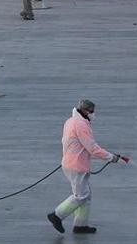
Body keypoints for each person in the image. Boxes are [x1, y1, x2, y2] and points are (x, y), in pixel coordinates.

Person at [48, 100, 125, 235]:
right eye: (92, 112)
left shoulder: (70, 121)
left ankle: (80, 225)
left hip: (72, 163)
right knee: (81, 196)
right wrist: (112, 157)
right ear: (85, 111)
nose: (93, 114)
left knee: (86, 196)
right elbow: (92, 148)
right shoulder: (81, 125)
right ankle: (57, 215)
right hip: (76, 166)